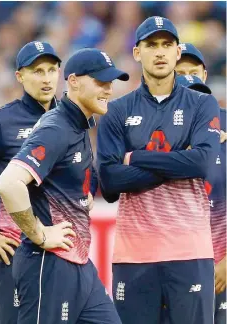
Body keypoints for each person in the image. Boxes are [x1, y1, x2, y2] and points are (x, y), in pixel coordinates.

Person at [97, 16, 220, 324]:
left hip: (189, 252)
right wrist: (181, 161)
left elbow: (203, 163)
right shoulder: (117, 110)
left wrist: (135, 157)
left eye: (167, 45)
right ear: (137, 53)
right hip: (134, 256)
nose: (160, 52)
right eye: (151, 45)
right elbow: (110, 183)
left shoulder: (203, 104)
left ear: (178, 52)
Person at [0, 48, 129, 324]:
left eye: (110, 83)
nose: (108, 90)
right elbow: (9, 183)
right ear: (74, 81)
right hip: (47, 262)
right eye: (100, 82)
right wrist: (40, 234)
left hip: (78, 262)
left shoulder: (77, 124)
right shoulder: (57, 127)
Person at [0, 41, 61, 324]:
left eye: (51, 70)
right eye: (36, 71)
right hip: (15, 253)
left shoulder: (73, 119)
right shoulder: (0, 121)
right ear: (20, 76)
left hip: (62, 254)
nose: (46, 78)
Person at [175, 44, 227, 324]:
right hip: (173, 260)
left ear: (204, 75)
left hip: (220, 263)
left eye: (192, 72)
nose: (186, 80)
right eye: (178, 73)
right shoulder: (153, 130)